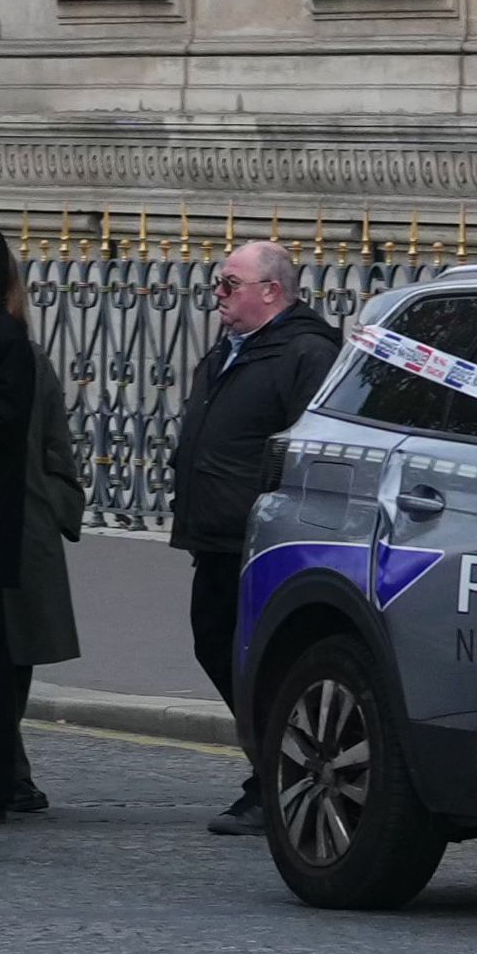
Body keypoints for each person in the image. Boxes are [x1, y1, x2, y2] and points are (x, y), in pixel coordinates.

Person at [166, 239, 332, 838]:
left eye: (230, 284)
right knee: (216, 646)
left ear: (271, 291)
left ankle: (275, 782)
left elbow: (307, 448)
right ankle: (273, 771)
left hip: (263, 538)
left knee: (258, 661)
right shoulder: (229, 350)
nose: (218, 294)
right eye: (218, 283)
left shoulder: (306, 353)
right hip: (216, 534)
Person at [0, 218, 82, 816]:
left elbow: (55, 445)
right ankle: (1, 765)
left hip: (21, 524)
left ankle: (2, 769)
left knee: (8, 654)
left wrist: (56, 503)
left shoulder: (16, 354)